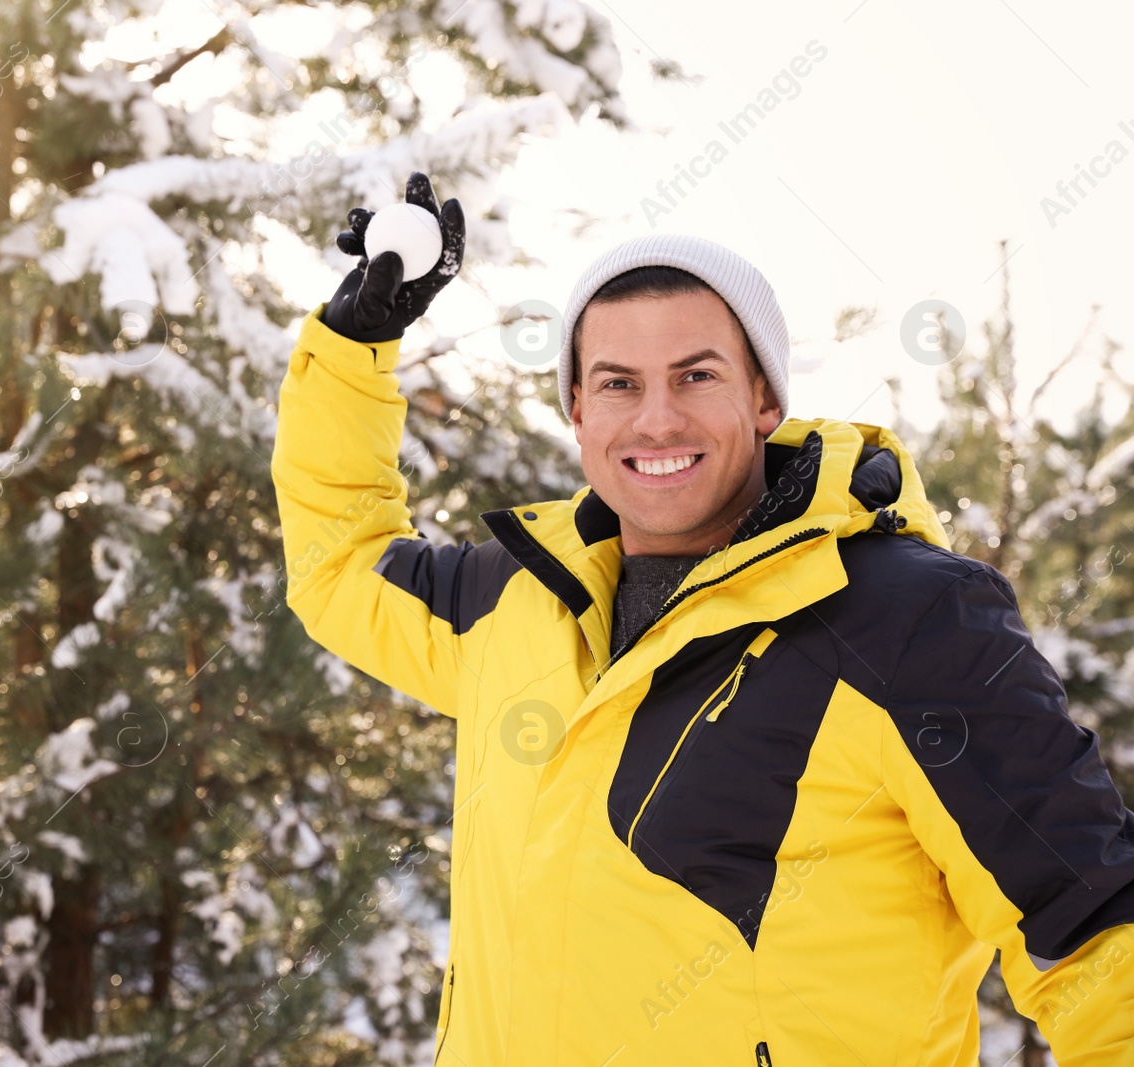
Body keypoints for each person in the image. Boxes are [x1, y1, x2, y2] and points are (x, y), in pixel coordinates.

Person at [269, 171, 1134, 1066]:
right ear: (576, 408)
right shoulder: (517, 598)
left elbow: (1096, 929)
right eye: (616, 382)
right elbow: (342, 561)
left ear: (764, 400)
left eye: (696, 374)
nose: (656, 418)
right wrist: (353, 346)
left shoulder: (905, 620)